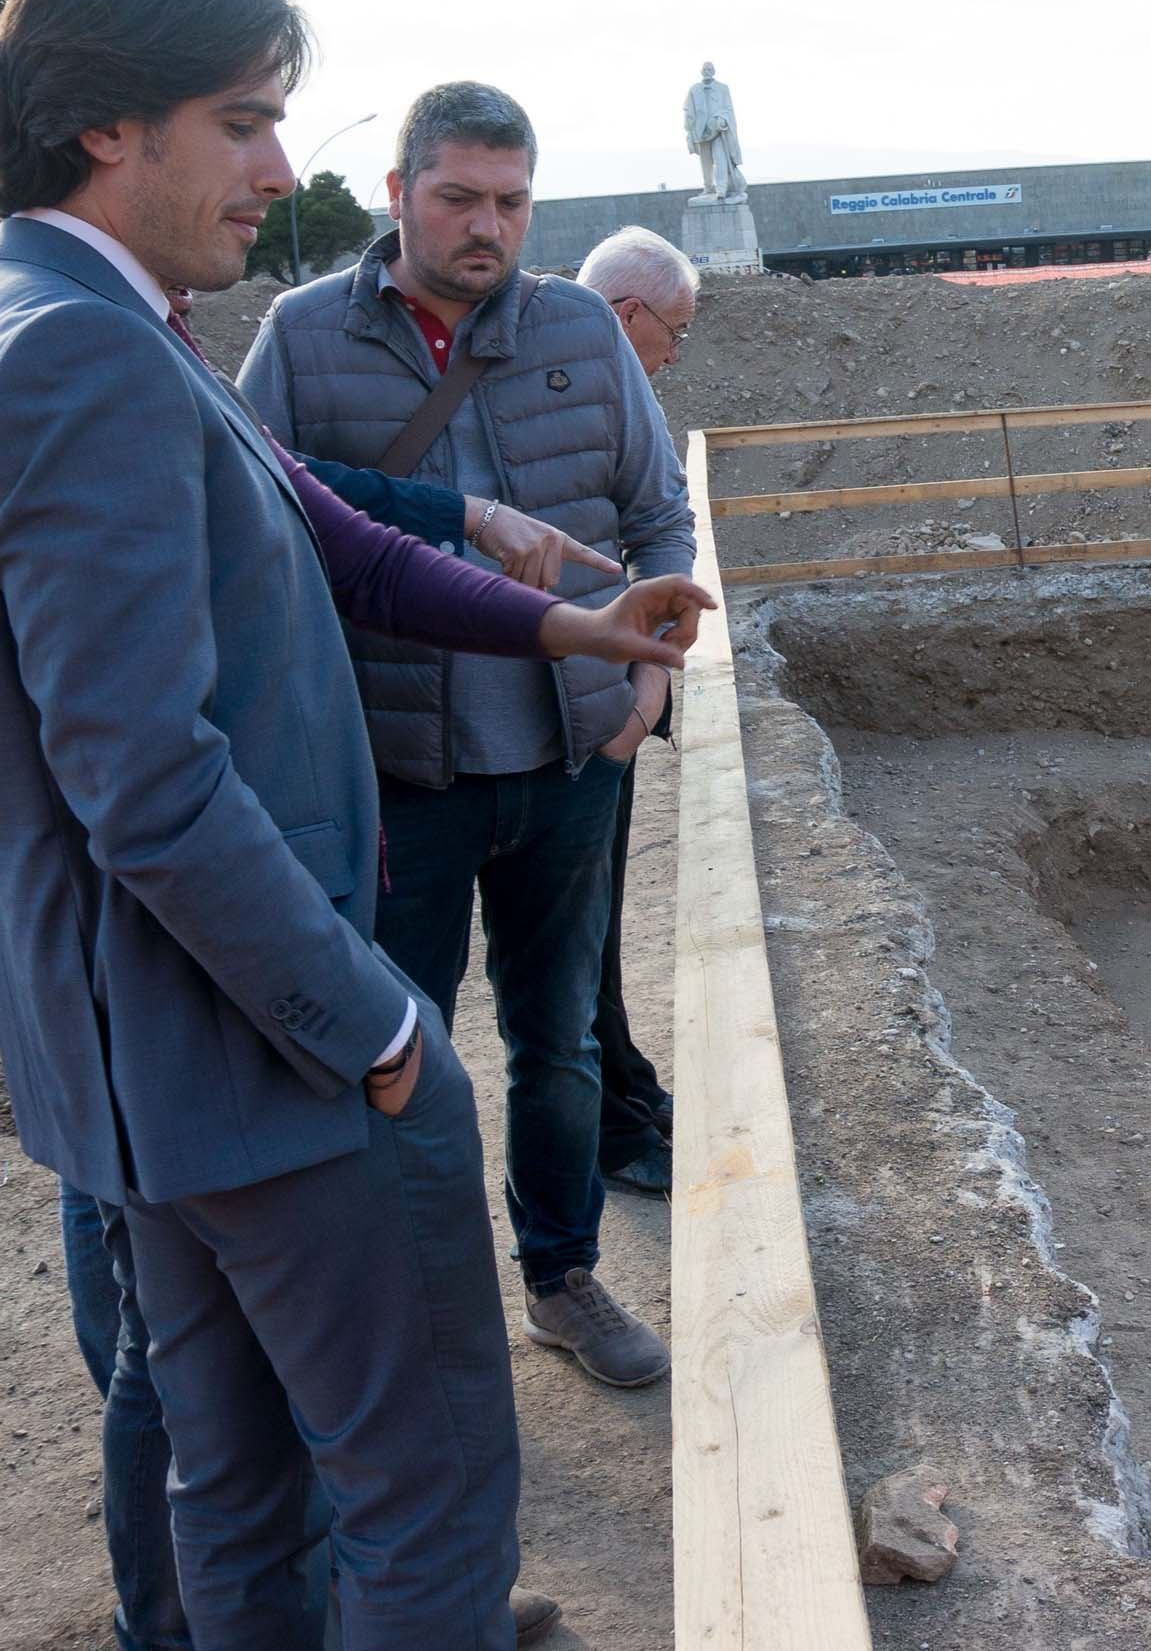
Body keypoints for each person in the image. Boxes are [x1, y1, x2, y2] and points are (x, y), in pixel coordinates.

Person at [0, 0, 711, 1649]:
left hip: (157, 1073)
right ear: (109, 124)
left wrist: (569, 623)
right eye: (247, 120)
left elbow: (338, 536)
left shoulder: (27, 321)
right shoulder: (81, 355)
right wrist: (379, 1029)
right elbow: (140, 777)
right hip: (258, 1059)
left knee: (241, 1488)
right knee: (422, 1506)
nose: (282, 170)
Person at [242, 83, 695, 1392]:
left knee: (562, 1040)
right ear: (399, 195)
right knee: (400, 1044)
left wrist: (651, 685)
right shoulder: (301, 334)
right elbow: (254, 508)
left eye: (511, 200)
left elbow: (660, 517)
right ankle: (409, 1305)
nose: (487, 224)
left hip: (568, 764)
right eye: (459, 197)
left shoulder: (575, 328)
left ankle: (562, 1275)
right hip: (396, 778)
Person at [571, 224, 697, 1196]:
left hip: (597, 700)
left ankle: (623, 1081)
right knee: (573, 934)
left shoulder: (594, 388)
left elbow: (659, 521)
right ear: (627, 315)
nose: (675, 352)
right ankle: (609, 1122)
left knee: (595, 927)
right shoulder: (586, 391)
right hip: (564, 711)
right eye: (675, 332)